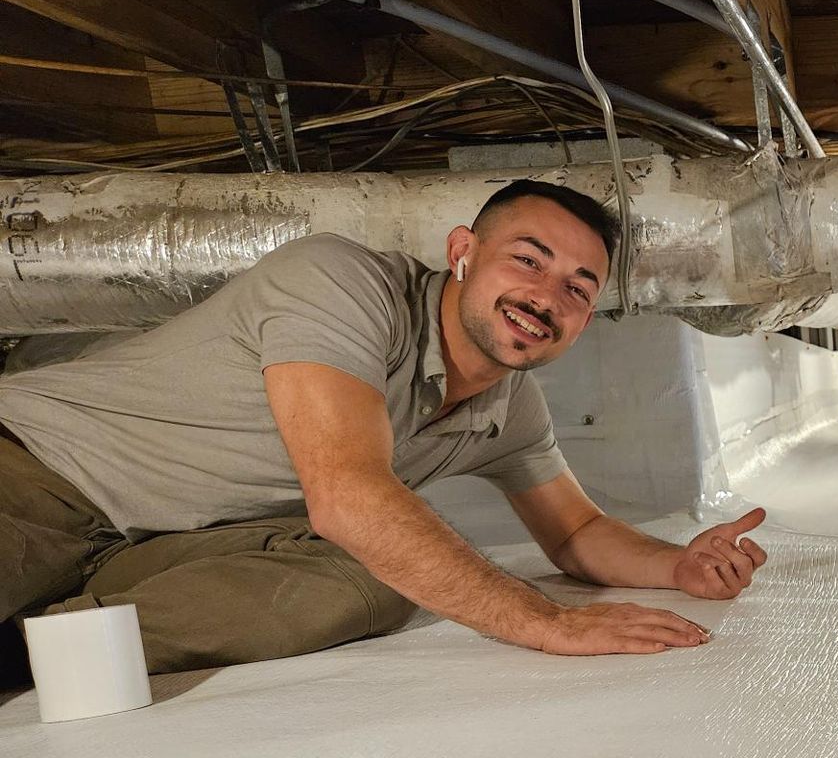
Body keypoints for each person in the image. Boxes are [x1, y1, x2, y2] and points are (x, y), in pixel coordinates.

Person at [0, 179, 767, 675]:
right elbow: (346, 495)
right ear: (463, 254)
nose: (546, 296)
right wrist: (545, 622)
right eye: (528, 261)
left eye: (577, 287)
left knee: (382, 577)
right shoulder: (341, 284)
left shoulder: (510, 409)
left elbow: (573, 533)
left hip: (156, 551)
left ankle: (43, 650)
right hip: (37, 481)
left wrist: (679, 568)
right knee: (382, 534)